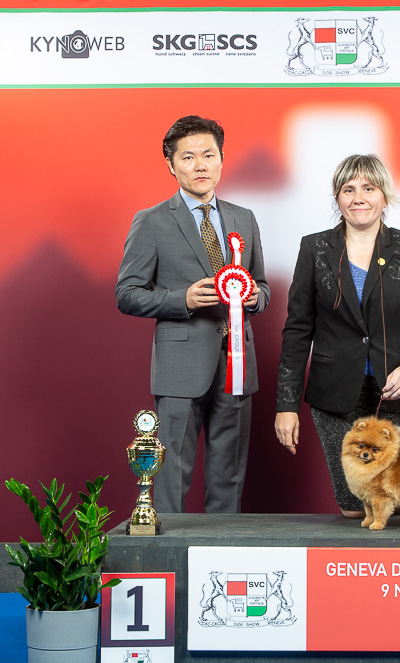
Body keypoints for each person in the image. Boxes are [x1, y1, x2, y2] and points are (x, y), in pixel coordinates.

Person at [116, 115, 270, 513]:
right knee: (171, 470)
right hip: (180, 366)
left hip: (238, 363)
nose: (200, 165)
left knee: (230, 473)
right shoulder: (151, 221)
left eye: (209, 155)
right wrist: (181, 300)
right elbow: (126, 294)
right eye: (188, 157)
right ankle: (170, 543)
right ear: (171, 165)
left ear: (221, 159)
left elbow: (262, 285)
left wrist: (254, 298)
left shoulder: (243, 218)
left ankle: (222, 543)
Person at [274, 154, 400, 517]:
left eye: (369, 188)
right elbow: (297, 330)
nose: (358, 198)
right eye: (348, 190)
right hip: (334, 399)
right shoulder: (314, 248)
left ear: (384, 196)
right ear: (337, 198)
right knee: (356, 509)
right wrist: (286, 406)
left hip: (398, 394)